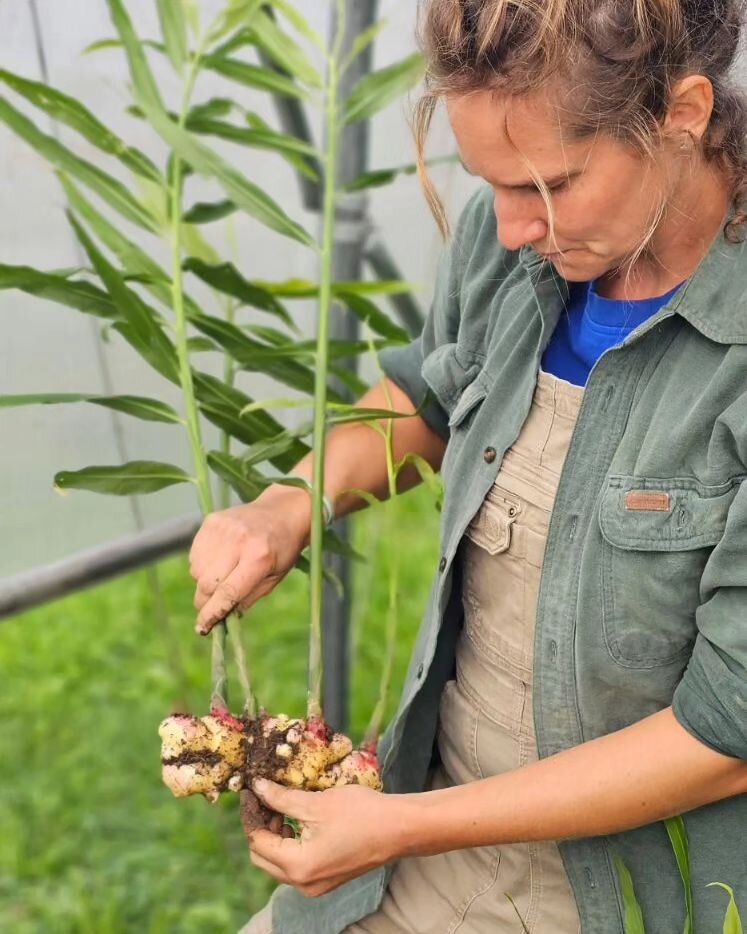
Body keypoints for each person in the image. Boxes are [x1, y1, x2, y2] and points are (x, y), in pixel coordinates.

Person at [188, 1, 747, 931]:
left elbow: (724, 734)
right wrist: (290, 501)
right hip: (425, 832)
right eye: (488, 183)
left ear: (682, 112)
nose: (513, 226)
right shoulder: (524, 242)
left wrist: (400, 828)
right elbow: (430, 397)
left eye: (550, 185)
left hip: (635, 896)